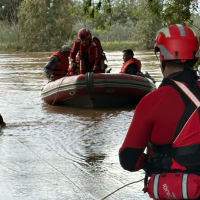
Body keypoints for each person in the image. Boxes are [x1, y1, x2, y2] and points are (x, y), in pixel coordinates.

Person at [119, 24, 200, 200]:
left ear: (162, 56)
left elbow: (128, 159)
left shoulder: (152, 102)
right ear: (195, 56)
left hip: (179, 191)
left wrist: (150, 161)